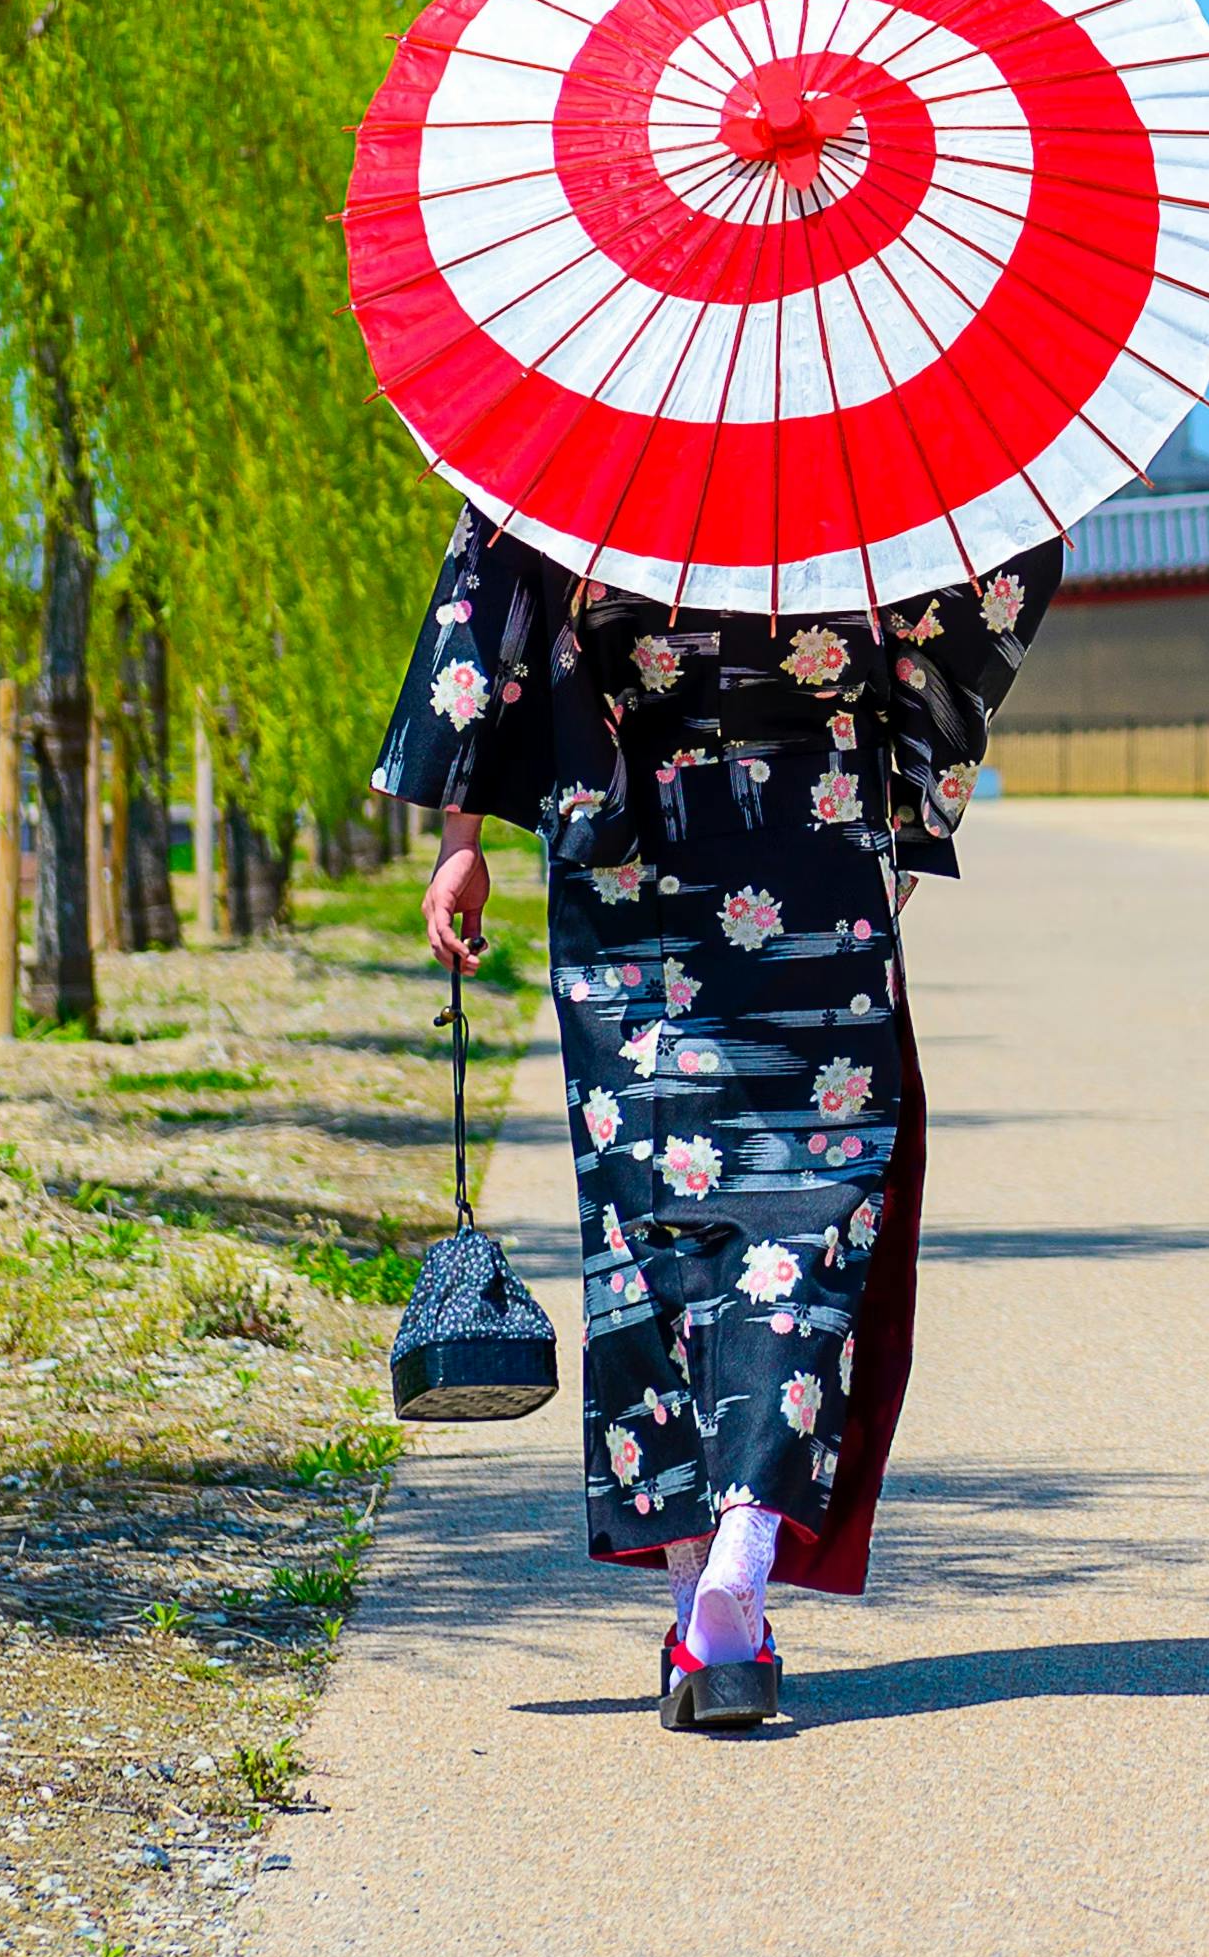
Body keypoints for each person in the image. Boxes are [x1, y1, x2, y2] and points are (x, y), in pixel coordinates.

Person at [382, 502, 1058, 1734]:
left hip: (629, 851)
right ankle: (735, 1581)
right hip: (813, 845)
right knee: (807, 1209)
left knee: (657, 1221)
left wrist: (461, 838)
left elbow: (488, 616)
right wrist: (901, 800)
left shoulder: (592, 419)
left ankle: (705, 1592)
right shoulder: (871, 419)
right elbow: (999, 574)